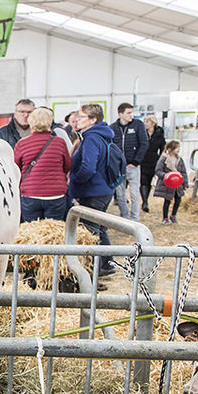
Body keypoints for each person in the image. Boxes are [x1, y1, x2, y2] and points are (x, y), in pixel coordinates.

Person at [69, 104, 116, 276]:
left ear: (93, 119)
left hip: (93, 191)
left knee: (91, 232)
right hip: (102, 189)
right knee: (100, 229)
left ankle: (93, 270)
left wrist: (77, 181)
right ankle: (107, 264)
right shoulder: (100, 135)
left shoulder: (91, 138)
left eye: (81, 117)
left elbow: (88, 167)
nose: (77, 120)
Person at [14, 107, 71, 222]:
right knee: (53, 233)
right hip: (56, 194)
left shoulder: (22, 144)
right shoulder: (59, 142)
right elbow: (68, 166)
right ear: (50, 122)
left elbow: (16, 168)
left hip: (30, 193)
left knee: (32, 232)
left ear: (31, 122)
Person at [111, 103, 148, 221]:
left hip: (133, 166)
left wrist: (136, 161)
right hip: (119, 167)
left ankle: (135, 218)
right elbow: (111, 146)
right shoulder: (113, 128)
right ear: (120, 114)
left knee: (134, 194)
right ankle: (124, 216)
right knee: (120, 194)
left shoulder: (138, 125)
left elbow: (144, 143)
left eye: (132, 112)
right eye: (128, 113)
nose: (131, 115)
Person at [154, 140, 186, 225]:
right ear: (170, 149)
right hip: (168, 184)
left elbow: (183, 171)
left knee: (178, 199)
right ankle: (165, 217)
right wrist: (166, 176)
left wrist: (185, 182)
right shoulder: (164, 158)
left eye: (178, 147)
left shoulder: (179, 159)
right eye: (176, 148)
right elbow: (158, 170)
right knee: (167, 200)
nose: (178, 149)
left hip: (177, 184)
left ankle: (173, 215)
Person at [139, 115, 165, 213]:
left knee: (149, 181)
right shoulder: (142, 133)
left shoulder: (159, 133)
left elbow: (162, 147)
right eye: (145, 122)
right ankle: (145, 202)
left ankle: (145, 199)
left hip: (154, 159)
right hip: (142, 159)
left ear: (153, 123)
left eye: (147, 122)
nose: (145, 124)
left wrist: (160, 159)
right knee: (143, 180)